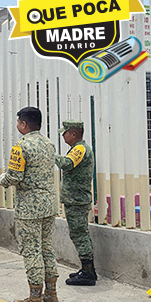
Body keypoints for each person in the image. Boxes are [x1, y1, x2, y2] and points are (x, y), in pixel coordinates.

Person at [0, 106, 59, 302]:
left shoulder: (21, 147)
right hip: (49, 205)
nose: (17, 126)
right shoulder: (49, 144)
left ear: (24, 124)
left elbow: (14, 177)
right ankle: (51, 294)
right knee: (47, 249)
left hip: (30, 208)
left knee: (32, 251)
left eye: (18, 122)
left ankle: (35, 299)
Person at [55, 120, 98, 286]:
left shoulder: (80, 148)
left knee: (80, 235)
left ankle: (88, 273)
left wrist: (51, 154)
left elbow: (67, 164)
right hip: (75, 200)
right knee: (79, 234)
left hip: (77, 201)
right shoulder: (77, 148)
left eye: (64, 132)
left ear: (73, 134)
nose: (63, 135)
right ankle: (87, 269)